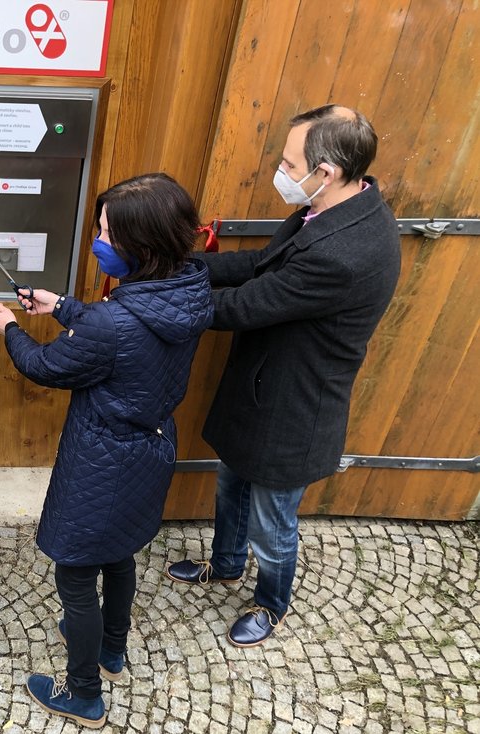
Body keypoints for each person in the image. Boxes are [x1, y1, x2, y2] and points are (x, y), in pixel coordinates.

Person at [165, 105, 401, 647]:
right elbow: (262, 265)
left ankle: (271, 604)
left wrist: (159, 299)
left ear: (327, 171)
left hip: (294, 405)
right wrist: (183, 266)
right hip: (264, 385)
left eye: (290, 162)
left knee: (273, 524)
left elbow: (247, 304)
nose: (280, 169)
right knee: (231, 483)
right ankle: (225, 566)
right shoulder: (332, 207)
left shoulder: (342, 253)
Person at [0, 173, 214, 728]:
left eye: (107, 232)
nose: (98, 238)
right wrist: (62, 305)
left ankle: (84, 692)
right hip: (151, 449)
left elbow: (46, 366)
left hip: (102, 462)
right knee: (118, 556)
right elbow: (126, 328)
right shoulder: (187, 289)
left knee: (74, 576)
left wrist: (11, 328)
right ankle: (112, 650)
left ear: (142, 244)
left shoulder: (115, 321)